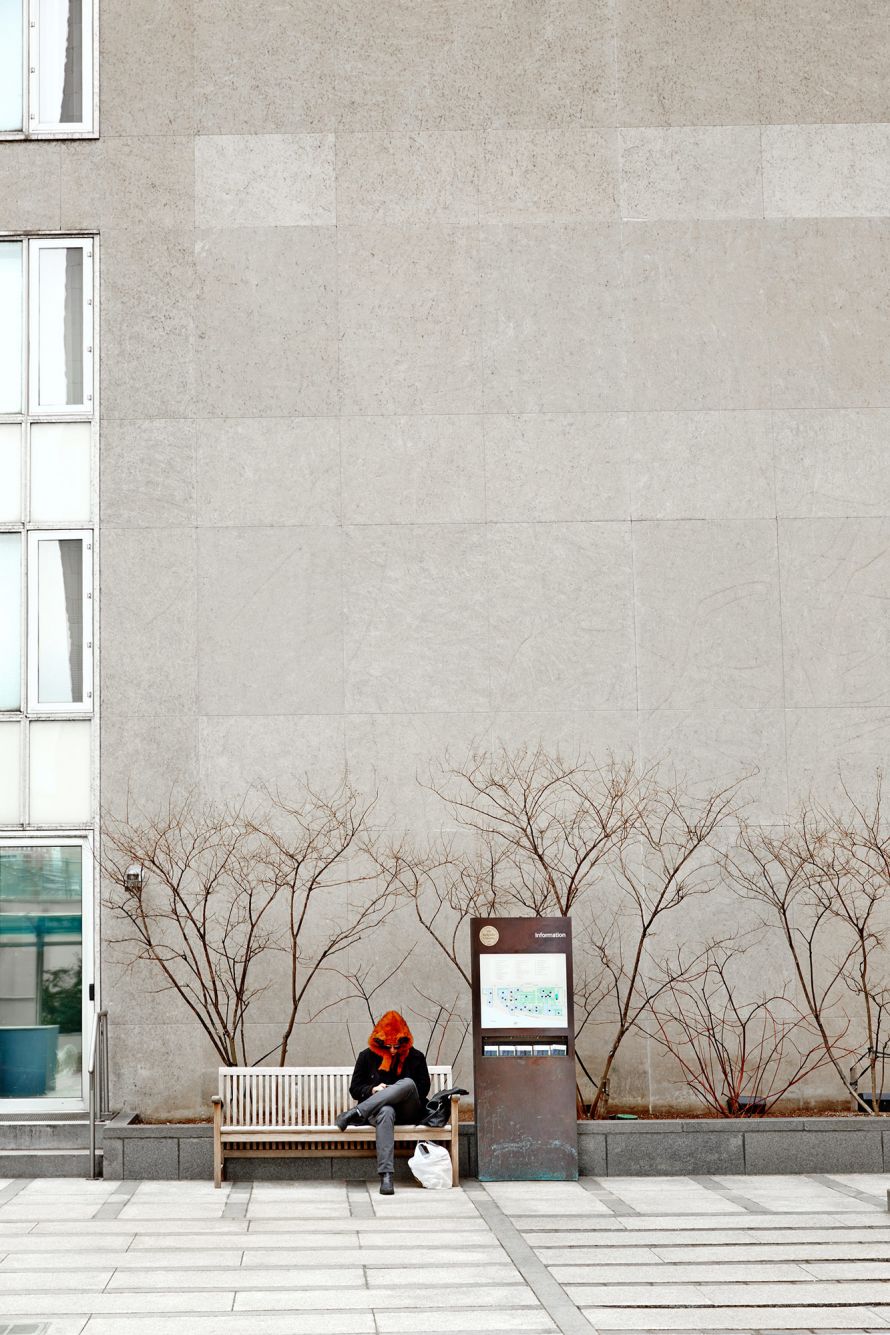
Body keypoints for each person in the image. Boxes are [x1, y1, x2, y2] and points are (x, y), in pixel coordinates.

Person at [335, 1010, 430, 1195]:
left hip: (407, 1111)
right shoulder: (366, 1057)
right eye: (388, 1046)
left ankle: (356, 1112)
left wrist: (398, 1092)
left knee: (408, 1083)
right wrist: (373, 1090)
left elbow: (422, 1090)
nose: (393, 1050)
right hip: (379, 1113)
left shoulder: (416, 1057)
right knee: (386, 1110)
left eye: (396, 1046)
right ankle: (386, 1176)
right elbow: (355, 1088)